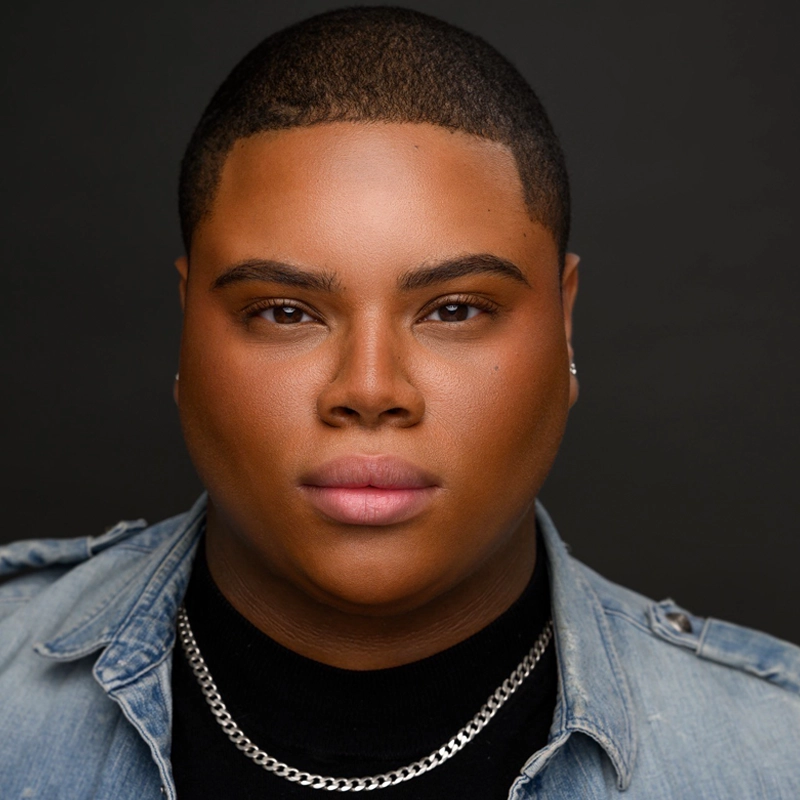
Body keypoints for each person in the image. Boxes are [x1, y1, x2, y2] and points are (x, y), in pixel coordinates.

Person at [1, 7, 798, 799]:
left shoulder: (771, 758)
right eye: (285, 311)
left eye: (455, 310)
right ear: (189, 330)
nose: (371, 391)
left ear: (564, 322)